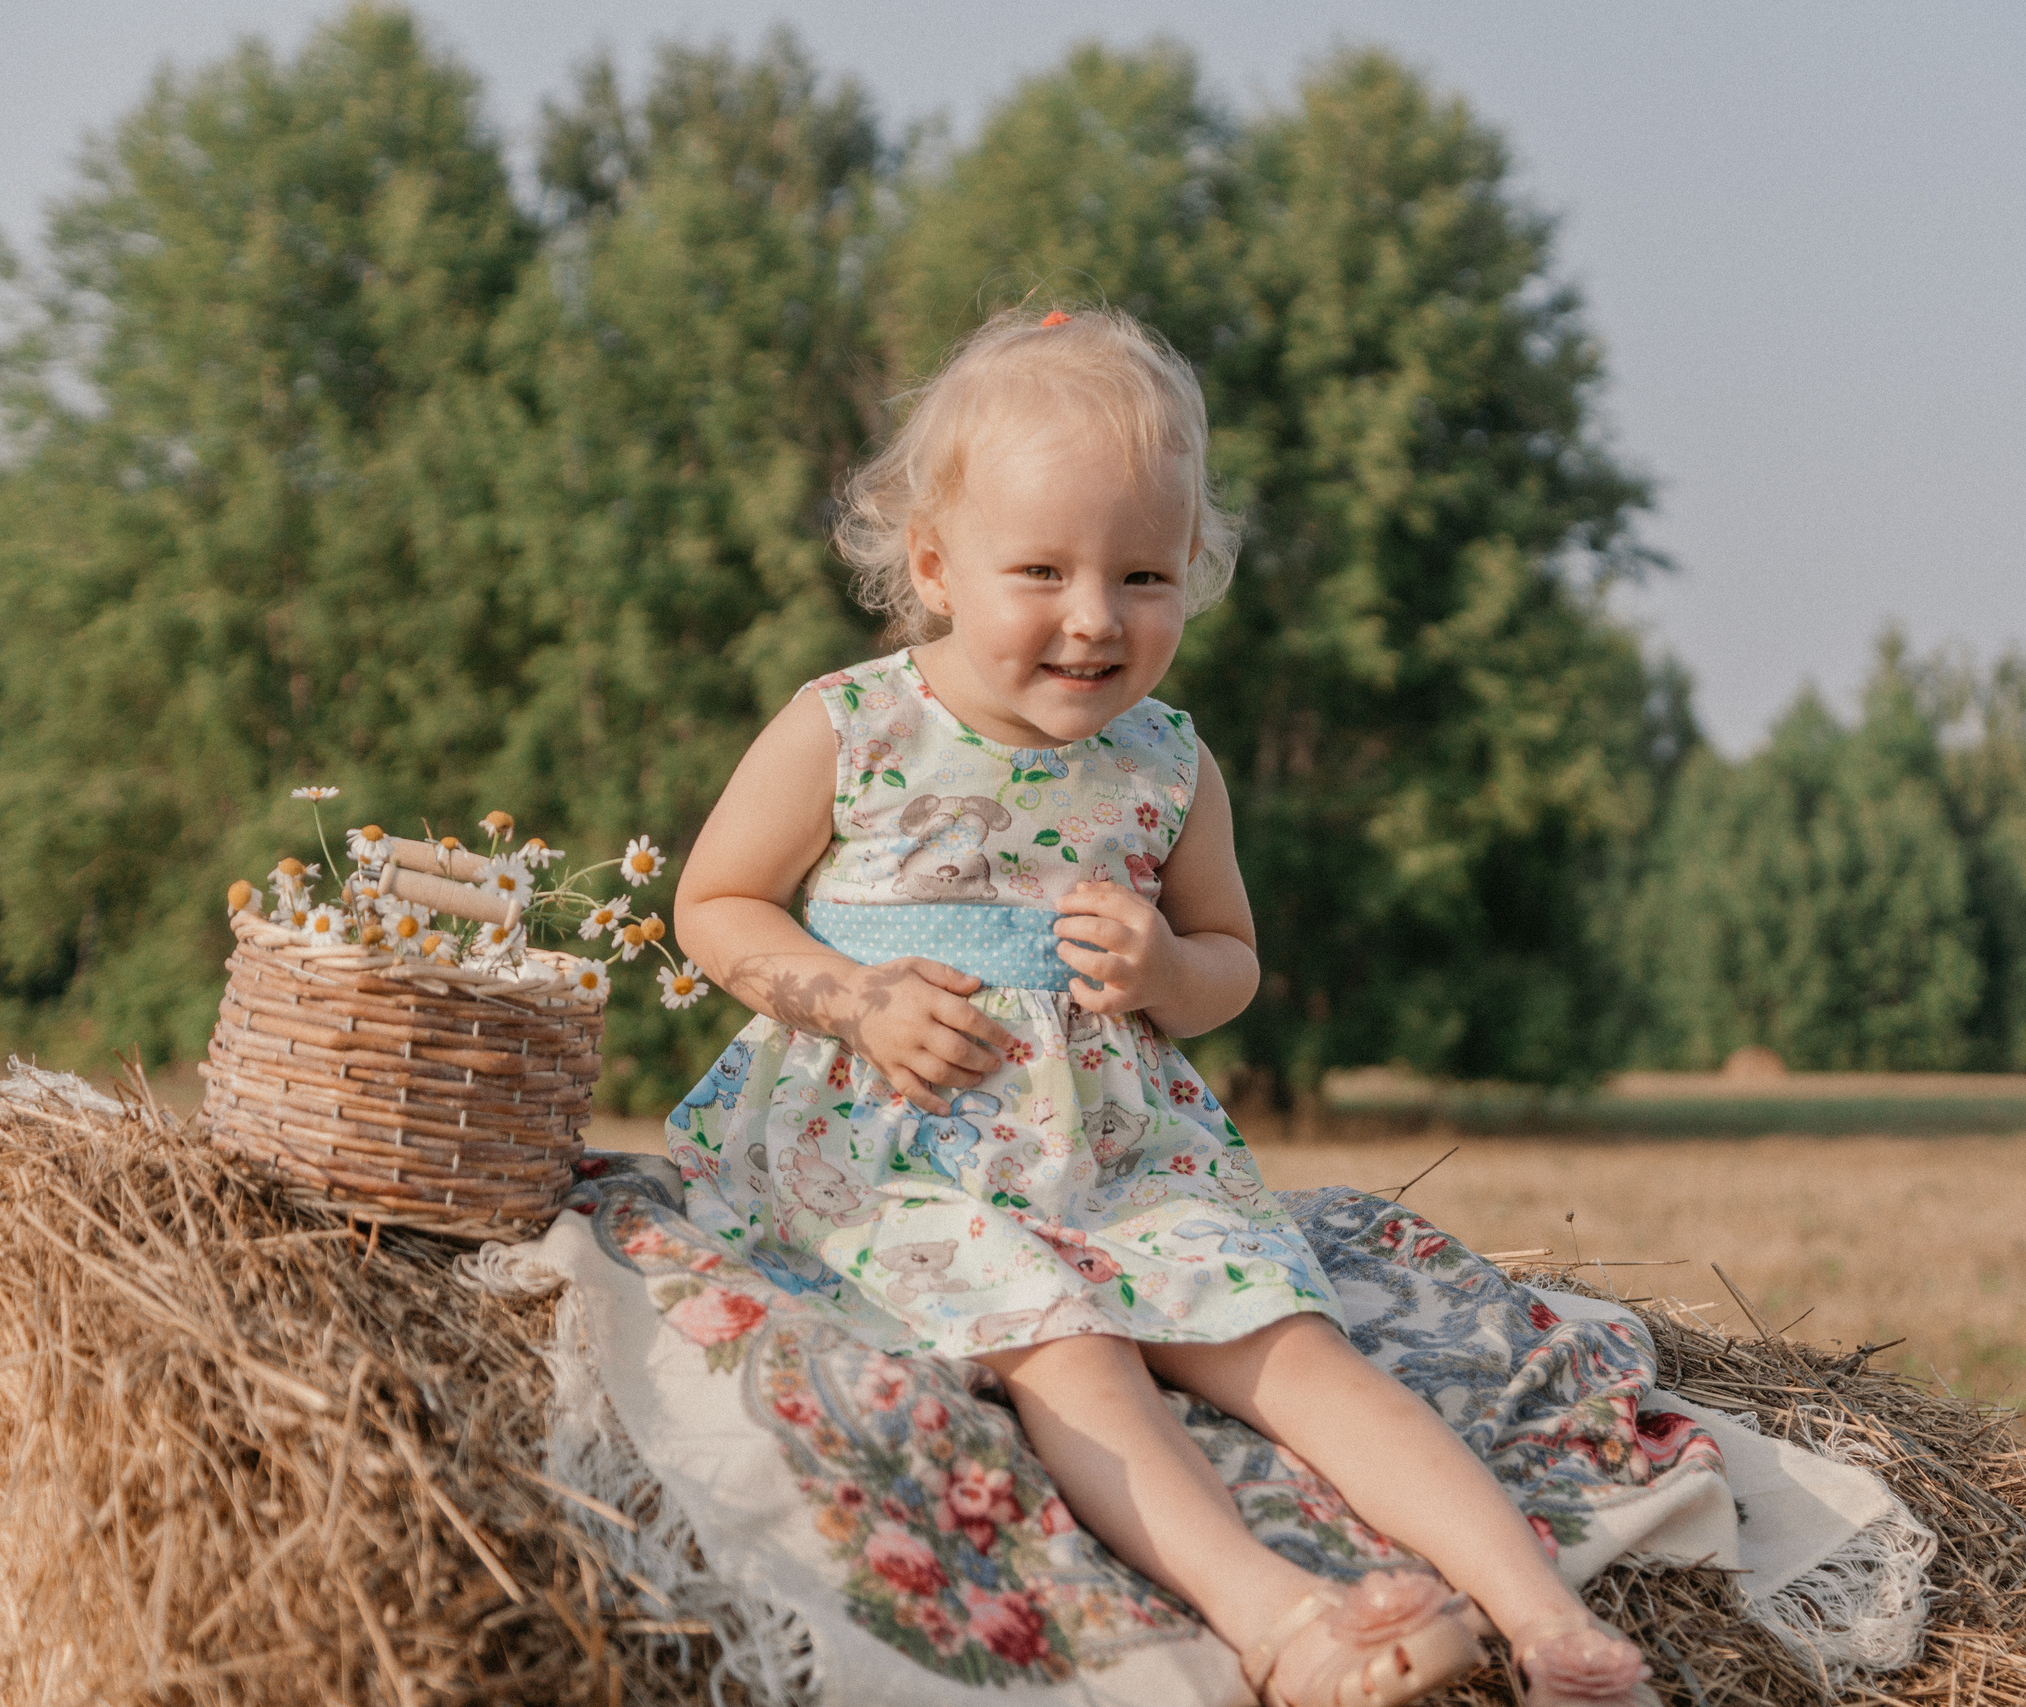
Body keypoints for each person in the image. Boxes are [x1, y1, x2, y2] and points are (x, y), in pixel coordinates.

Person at [669, 306, 1654, 1707]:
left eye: (1143, 574)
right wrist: (853, 997)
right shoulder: (851, 725)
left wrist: (1165, 973)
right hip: (904, 1140)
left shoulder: (1171, 765)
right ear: (937, 567)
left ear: (1193, 570)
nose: (1094, 616)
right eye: (1042, 571)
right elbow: (714, 906)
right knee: (1070, 1350)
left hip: (1120, 1147)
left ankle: (1546, 1619)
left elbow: (1231, 962)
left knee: (1290, 1345)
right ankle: (1279, 1621)